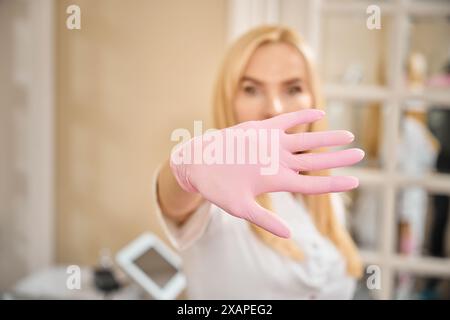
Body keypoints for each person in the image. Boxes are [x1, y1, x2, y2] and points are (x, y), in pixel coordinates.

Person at [153, 26, 365, 299]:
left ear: (313, 96)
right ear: (228, 99)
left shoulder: (324, 192)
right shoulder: (215, 190)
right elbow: (174, 200)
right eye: (251, 89)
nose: (274, 108)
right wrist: (186, 169)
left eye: (293, 88)